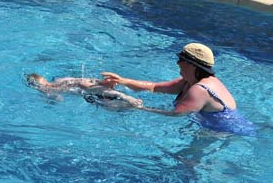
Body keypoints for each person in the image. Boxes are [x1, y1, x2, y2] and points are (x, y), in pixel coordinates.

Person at [100, 43, 256, 135]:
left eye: (181, 59)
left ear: (192, 65)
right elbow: (154, 87)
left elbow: (175, 115)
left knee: (187, 162)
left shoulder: (200, 90)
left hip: (225, 133)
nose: (178, 63)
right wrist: (122, 80)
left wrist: (136, 107)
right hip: (217, 128)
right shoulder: (191, 81)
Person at [26, 73, 143, 109]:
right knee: (105, 102)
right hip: (90, 82)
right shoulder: (59, 79)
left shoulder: (47, 89)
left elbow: (59, 99)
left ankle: (127, 99)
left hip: (85, 86)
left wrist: (48, 100)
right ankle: (128, 101)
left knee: (106, 101)